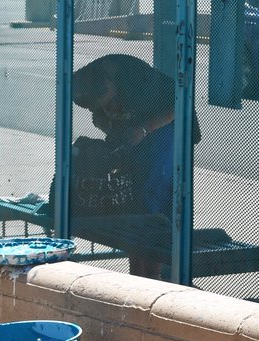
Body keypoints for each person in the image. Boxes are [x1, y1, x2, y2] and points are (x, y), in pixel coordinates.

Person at [70, 54, 201, 277]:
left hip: (169, 130)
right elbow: (97, 115)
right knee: (133, 196)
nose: (111, 107)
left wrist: (145, 129)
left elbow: (181, 103)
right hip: (138, 132)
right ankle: (138, 271)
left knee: (153, 198)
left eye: (110, 102)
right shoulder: (89, 80)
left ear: (111, 85)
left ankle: (154, 273)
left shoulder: (138, 81)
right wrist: (111, 128)